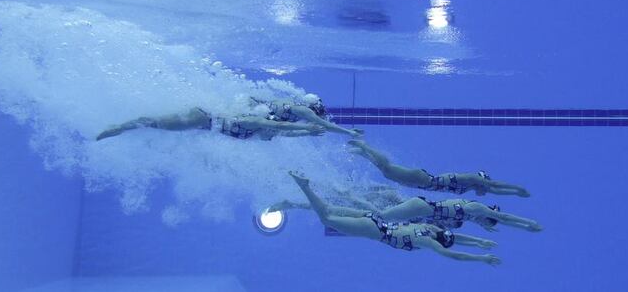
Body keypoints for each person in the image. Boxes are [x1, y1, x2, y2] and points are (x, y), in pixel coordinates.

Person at [289, 172, 501, 265]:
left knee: (339, 206)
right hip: (383, 221)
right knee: (334, 211)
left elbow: (454, 238)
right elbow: (452, 250)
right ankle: (306, 187)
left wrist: (479, 243)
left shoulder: (440, 228)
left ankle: (296, 201)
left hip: (385, 218)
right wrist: (480, 254)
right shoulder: (429, 237)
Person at [268, 194, 541, 233]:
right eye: (486, 219)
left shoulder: (468, 219)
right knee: (375, 214)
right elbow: (503, 218)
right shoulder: (475, 208)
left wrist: (484, 229)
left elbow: (489, 222)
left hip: (416, 213)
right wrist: (527, 224)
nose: (483, 221)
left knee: (369, 212)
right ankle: (299, 201)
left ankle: (304, 200)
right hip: (421, 208)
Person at [348, 139, 530, 197]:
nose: (486, 191)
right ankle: (365, 146)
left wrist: (514, 194)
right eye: (486, 185)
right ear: (483, 180)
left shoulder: (471, 187)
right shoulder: (472, 179)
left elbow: (493, 191)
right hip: (424, 179)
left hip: (422, 184)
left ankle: (363, 153)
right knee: (388, 168)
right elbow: (495, 185)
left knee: (387, 174)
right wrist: (518, 189)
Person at [95, 107, 326, 141]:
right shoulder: (255, 122)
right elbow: (283, 128)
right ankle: (120, 127)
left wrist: (307, 134)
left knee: (158, 126)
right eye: (271, 130)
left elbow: (284, 134)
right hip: (201, 117)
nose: (272, 134)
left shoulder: (260, 132)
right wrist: (307, 127)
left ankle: (123, 126)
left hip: (201, 122)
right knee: (155, 124)